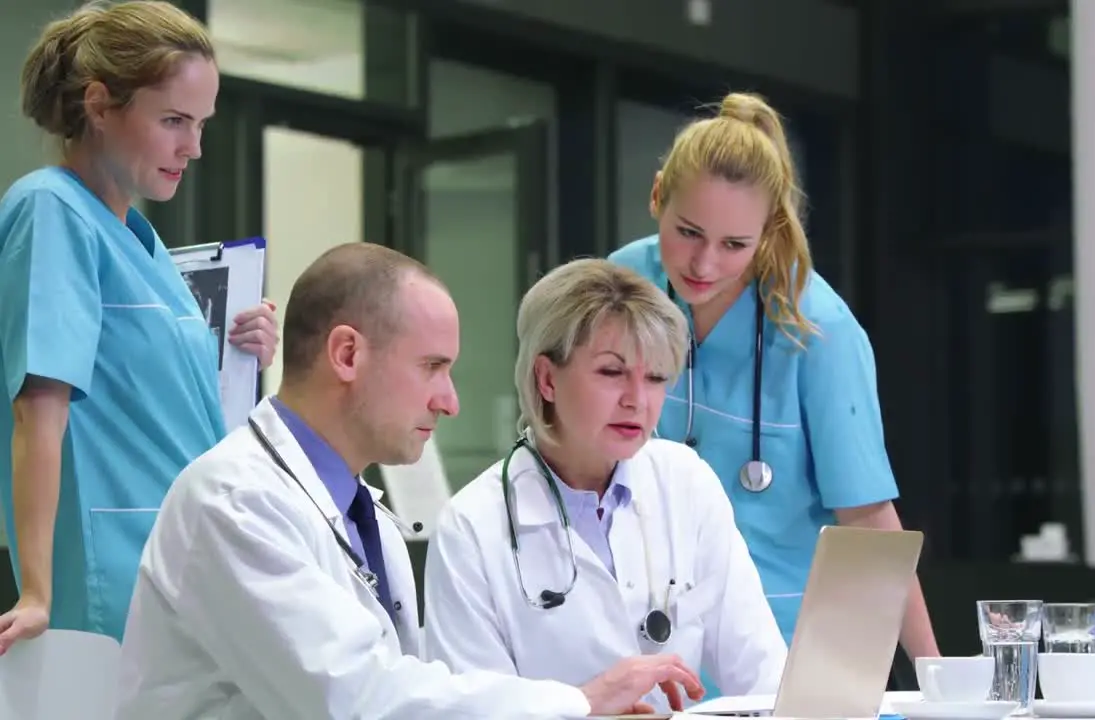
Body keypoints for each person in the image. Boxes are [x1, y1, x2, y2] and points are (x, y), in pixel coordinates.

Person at [115, 243, 704, 719]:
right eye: (432, 368)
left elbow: (412, 697)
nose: (449, 401)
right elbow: (357, 701)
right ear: (347, 354)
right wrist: (578, 700)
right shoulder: (234, 501)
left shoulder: (367, 518)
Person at [609, 92, 939, 660]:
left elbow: (867, 516)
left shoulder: (819, 330)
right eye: (687, 232)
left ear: (769, 231)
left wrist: (936, 678)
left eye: (735, 245)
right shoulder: (620, 287)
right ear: (657, 193)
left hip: (779, 655)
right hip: (636, 648)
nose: (704, 264)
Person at [0, 0, 278, 651]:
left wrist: (243, 358)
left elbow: (157, 407)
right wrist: (36, 590)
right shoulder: (51, 210)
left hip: (180, 567)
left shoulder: (142, 240)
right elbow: (39, 406)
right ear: (100, 107)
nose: (194, 147)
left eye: (201, 124)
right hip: (109, 577)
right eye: (174, 121)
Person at [422, 259, 786, 712]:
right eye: (612, 373)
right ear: (547, 378)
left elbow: (764, 673)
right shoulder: (472, 527)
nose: (637, 399)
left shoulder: (686, 482)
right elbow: (469, 715)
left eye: (655, 378)